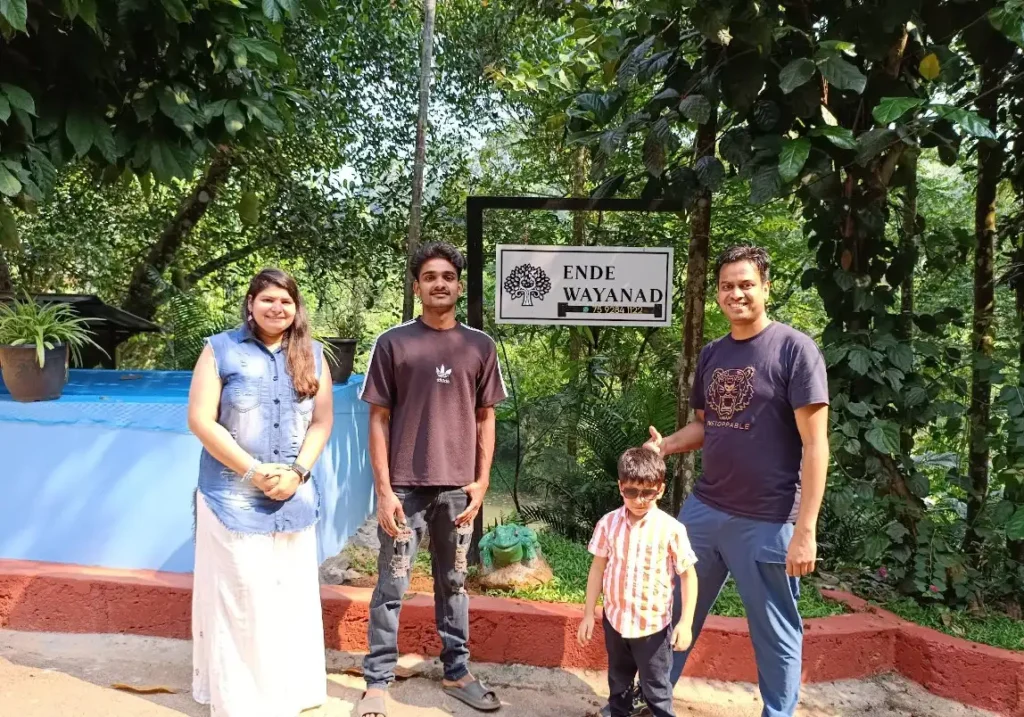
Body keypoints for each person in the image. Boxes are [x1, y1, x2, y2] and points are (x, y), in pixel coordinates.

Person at [631, 245, 829, 717]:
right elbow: (708, 424)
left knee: (774, 628)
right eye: (726, 286)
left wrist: (806, 530)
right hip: (705, 510)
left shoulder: (795, 350)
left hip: (768, 518)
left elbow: (816, 445)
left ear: (765, 287)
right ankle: (652, 699)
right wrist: (666, 446)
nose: (735, 294)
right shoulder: (713, 354)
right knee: (672, 610)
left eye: (745, 284)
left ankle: (776, 713)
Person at [357, 242, 507, 717]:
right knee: (391, 585)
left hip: (458, 491)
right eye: (429, 276)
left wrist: (482, 481)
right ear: (417, 285)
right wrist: (383, 489)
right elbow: (378, 419)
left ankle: (457, 671)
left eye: (447, 276)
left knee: (455, 583)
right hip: (404, 489)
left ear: (459, 286)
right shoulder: (393, 343)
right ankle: (377, 681)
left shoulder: (480, 346)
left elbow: (486, 418)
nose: (439, 283)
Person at [187, 268, 334, 717]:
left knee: (288, 596)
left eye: (286, 301)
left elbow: (322, 422)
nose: (277, 308)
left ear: (296, 308)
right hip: (231, 497)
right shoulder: (220, 350)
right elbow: (200, 419)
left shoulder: (313, 355)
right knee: (242, 595)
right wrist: (252, 471)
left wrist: (298, 473)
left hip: (294, 495)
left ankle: (288, 693)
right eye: (268, 299)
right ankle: (243, 702)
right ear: (250, 303)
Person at [578, 448, 698, 717]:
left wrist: (686, 623)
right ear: (621, 487)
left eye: (648, 493)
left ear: (661, 490)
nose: (640, 500)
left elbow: (688, 575)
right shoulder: (608, 524)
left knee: (657, 690)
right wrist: (588, 614)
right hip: (616, 623)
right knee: (618, 687)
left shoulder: (671, 530)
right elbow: (598, 569)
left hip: (653, 629)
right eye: (632, 492)